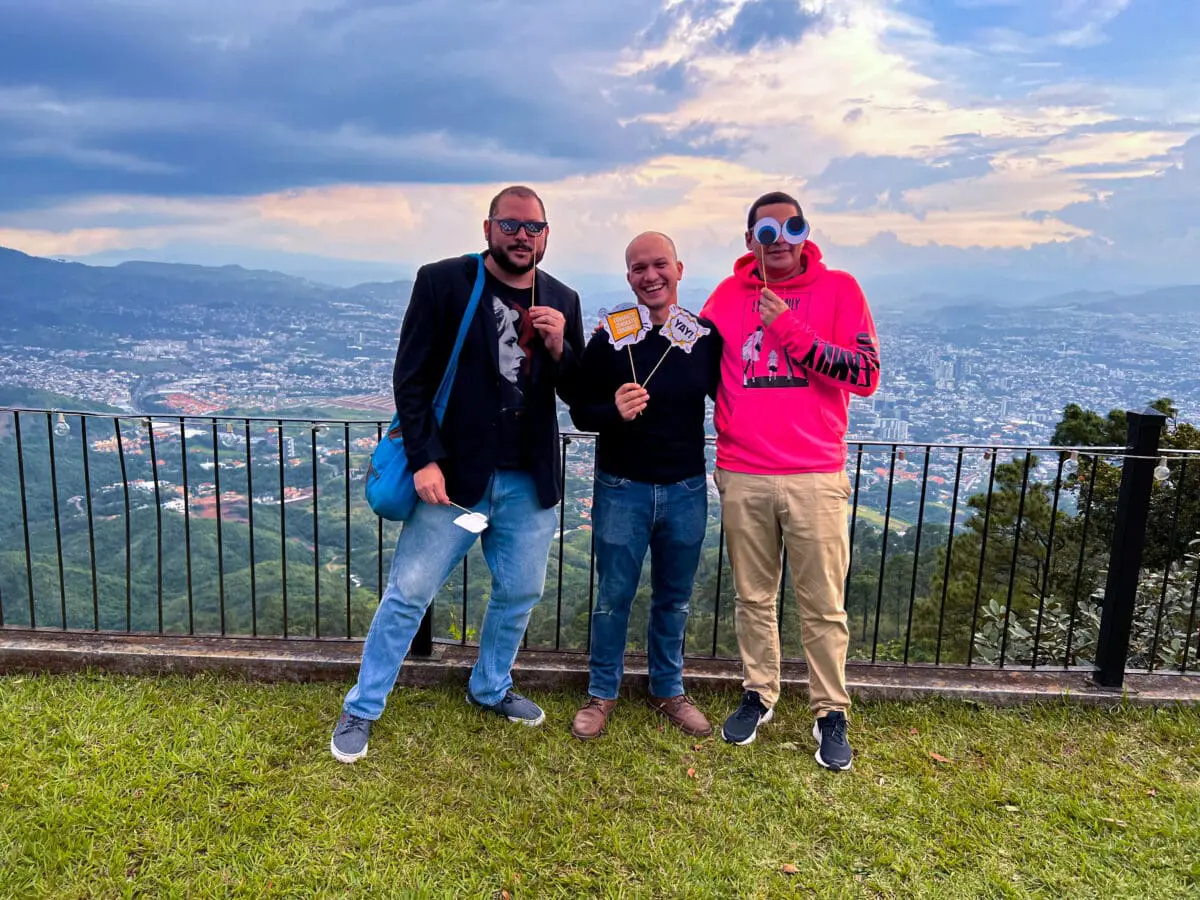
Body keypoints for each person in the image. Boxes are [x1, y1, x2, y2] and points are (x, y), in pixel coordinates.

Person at [331, 185, 585, 763]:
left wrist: (559, 342)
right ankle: (363, 707)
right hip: (452, 476)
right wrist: (423, 459)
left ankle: (490, 687)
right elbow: (411, 377)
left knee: (521, 591)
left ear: (547, 235)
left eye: (533, 228)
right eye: (511, 225)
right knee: (409, 593)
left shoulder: (562, 297)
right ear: (489, 228)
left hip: (528, 478)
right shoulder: (445, 281)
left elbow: (576, 388)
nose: (523, 237)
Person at [701, 191, 880, 770]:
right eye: (767, 230)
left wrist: (792, 332)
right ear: (751, 237)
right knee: (753, 597)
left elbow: (865, 374)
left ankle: (830, 710)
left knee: (823, 604)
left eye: (791, 226)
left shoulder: (840, 290)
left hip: (814, 472)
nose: (780, 239)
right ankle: (759, 693)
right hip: (744, 471)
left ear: (806, 232)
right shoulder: (728, 297)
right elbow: (696, 364)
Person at [566, 232, 722, 740]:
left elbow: (734, 399)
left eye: (659, 265)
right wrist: (614, 410)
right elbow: (580, 409)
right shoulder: (610, 337)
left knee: (674, 598)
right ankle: (602, 692)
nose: (650, 276)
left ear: (679, 269)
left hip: (686, 489)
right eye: (638, 268)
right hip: (621, 487)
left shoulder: (704, 337)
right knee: (613, 596)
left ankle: (667, 689)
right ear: (628, 276)